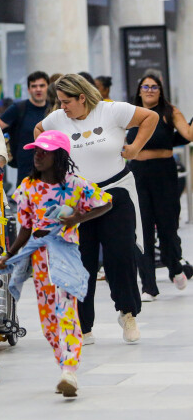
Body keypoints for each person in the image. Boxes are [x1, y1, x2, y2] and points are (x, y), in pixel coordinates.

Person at [35, 73, 158, 345]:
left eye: (67, 101)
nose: (62, 107)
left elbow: (151, 118)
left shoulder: (112, 110)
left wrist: (136, 147)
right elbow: (39, 132)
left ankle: (128, 313)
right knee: (82, 260)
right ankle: (83, 324)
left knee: (120, 254)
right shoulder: (57, 119)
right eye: (60, 102)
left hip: (116, 192)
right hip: (78, 197)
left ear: (82, 97)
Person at [0, 131, 111, 397]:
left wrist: (76, 219)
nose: (37, 155)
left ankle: (70, 369)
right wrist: (9, 254)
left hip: (66, 257)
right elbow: (25, 229)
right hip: (39, 263)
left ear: (59, 155)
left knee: (67, 312)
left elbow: (105, 203)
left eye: (44, 151)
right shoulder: (27, 187)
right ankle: (65, 369)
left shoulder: (76, 184)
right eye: (35, 150)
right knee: (48, 322)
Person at [128, 74, 193, 300]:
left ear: (160, 90)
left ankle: (174, 265)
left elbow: (189, 134)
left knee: (167, 227)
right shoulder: (131, 112)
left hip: (164, 172)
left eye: (154, 87)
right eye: (145, 86)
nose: (149, 90)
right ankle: (148, 286)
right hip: (137, 173)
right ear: (139, 90)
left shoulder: (169, 111)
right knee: (142, 229)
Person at [0, 71, 50, 185]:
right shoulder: (19, 108)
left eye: (42, 85)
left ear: (47, 87)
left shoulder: (53, 109)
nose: (38, 89)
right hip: (26, 171)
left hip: (51, 170)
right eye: (34, 86)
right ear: (28, 89)